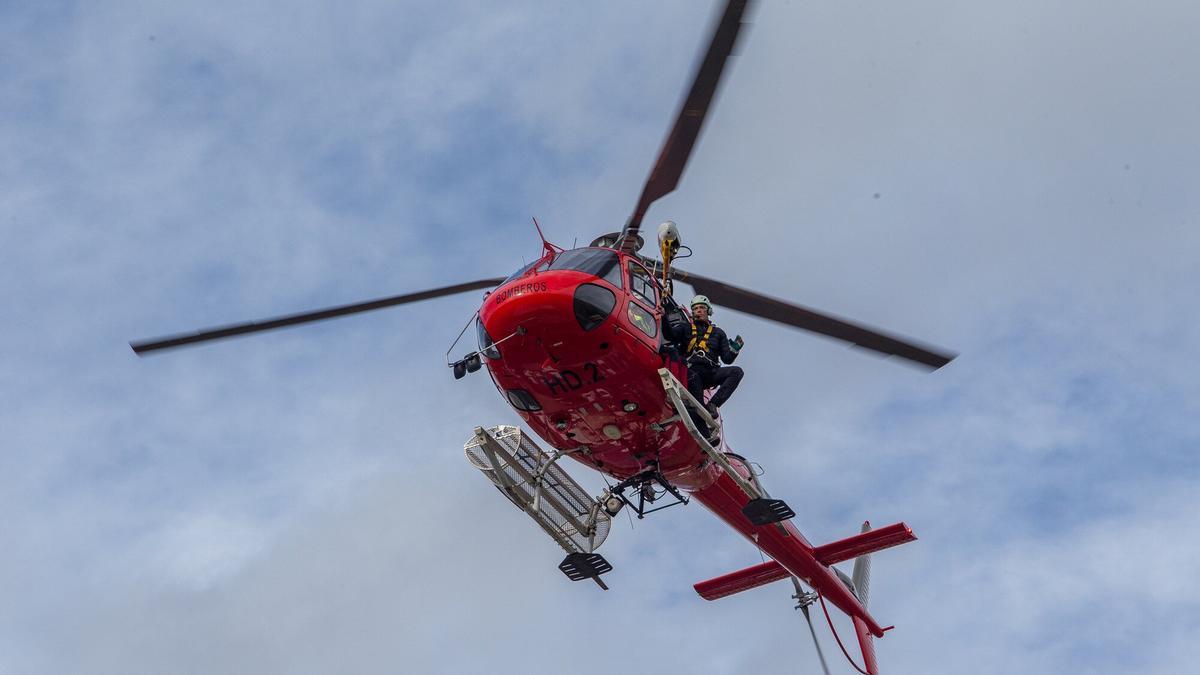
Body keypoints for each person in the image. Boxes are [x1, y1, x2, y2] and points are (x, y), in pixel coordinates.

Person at [685, 294, 744, 428]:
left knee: (737, 372)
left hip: (711, 373)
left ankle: (713, 404)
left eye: (701, 308)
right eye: (695, 309)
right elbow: (673, 335)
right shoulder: (687, 328)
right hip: (693, 373)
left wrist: (734, 350)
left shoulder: (718, 333)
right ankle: (704, 431)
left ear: (708, 311)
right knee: (698, 407)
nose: (698, 310)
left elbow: (727, 359)